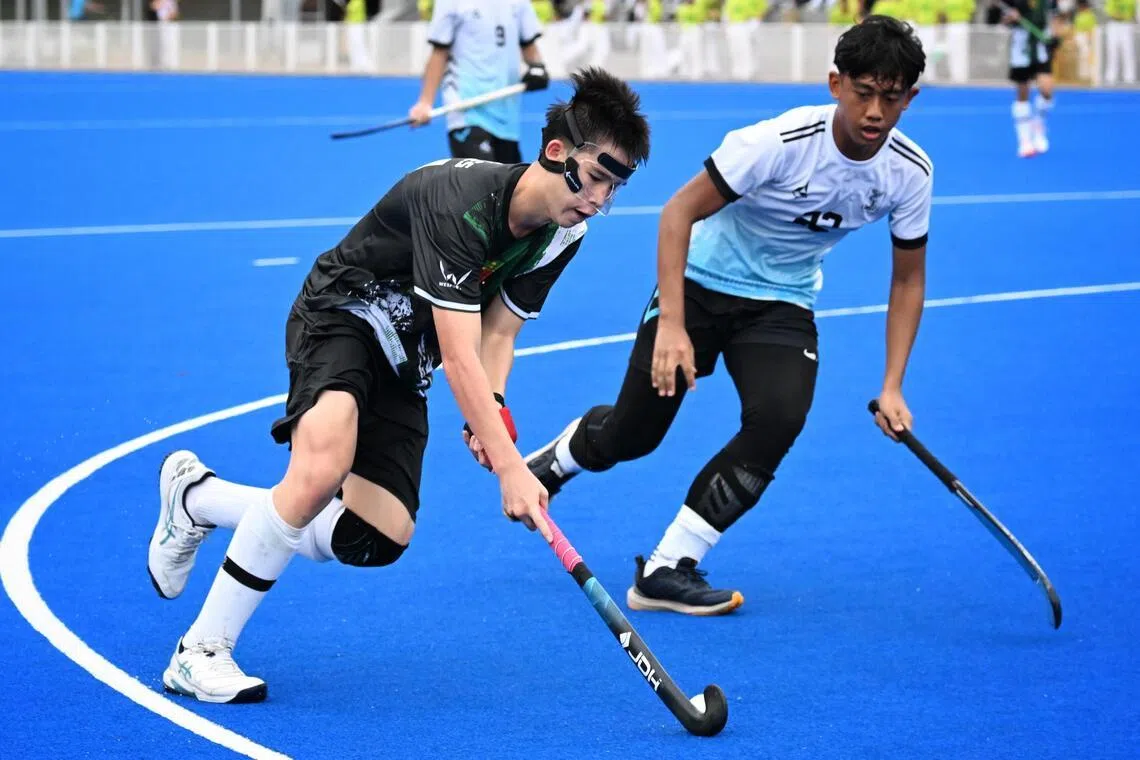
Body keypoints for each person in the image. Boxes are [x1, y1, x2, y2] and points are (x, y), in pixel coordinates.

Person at [147, 67, 651, 703]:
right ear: (558, 154)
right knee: (321, 466)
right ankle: (200, 651)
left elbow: (497, 336)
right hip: (343, 314)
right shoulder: (458, 201)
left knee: (378, 534)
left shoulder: (562, 235)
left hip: (404, 355)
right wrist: (510, 467)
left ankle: (199, 499)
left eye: (617, 186)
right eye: (599, 178)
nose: (602, 200)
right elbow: (460, 355)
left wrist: (489, 411)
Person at [526, 16, 932, 617]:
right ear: (835, 84)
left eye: (892, 97)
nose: (875, 111)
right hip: (698, 287)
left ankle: (668, 566)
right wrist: (672, 323)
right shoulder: (778, 143)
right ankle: (559, 458)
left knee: (779, 419)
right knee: (633, 437)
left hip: (781, 304)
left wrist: (893, 384)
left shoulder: (909, 171)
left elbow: (907, 279)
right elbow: (677, 213)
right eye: (863, 92)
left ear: (910, 97)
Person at [409, 0, 552, 163]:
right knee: (484, 187)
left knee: (510, 188)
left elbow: (529, 47)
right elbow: (439, 53)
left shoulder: (520, 3)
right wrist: (424, 102)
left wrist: (538, 68)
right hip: (467, 113)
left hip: (507, 119)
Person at [1004, 0, 1058, 157]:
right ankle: (1024, 140)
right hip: (1021, 50)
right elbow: (1003, 20)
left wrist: (1055, 36)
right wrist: (1011, 17)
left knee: (1047, 91)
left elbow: (1055, 16)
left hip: (1041, 47)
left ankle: (1038, 124)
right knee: (1022, 93)